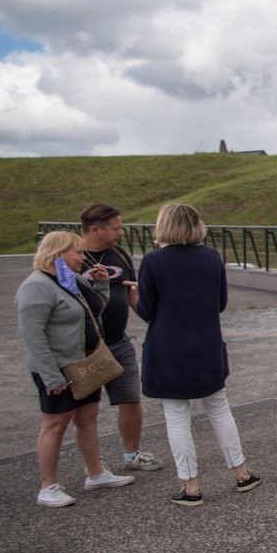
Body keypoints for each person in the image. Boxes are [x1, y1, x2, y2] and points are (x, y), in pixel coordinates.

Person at [135, 203, 259, 506]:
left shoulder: (153, 262)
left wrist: (132, 295)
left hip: (168, 348)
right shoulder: (211, 257)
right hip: (207, 345)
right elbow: (220, 303)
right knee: (219, 408)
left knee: (177, 417)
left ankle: (191, 486)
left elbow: (146, 310)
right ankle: (242, 472)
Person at [17, 230, 136, 507]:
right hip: (59, 366)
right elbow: (33, 336)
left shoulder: (72, 279)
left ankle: (95, 473)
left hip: (85, 362)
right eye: (78, 252)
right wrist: (50, 375)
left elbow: (94, 310)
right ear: (57, 254)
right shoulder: (36, 286)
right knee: (55, 423)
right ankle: (48, 486)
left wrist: (102, 284)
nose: (83, 258)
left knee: (87, 418)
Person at [79, 202, 163, 472]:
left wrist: (152, 319)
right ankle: (94, 466)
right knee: (88, 410)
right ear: (95, 229)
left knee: (130, 399)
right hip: (86, 349)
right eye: (115, 228)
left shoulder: (119, 255)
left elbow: (131, 292)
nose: (121, 232)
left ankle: (132, 455)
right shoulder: (73, 257)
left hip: (118, 342)